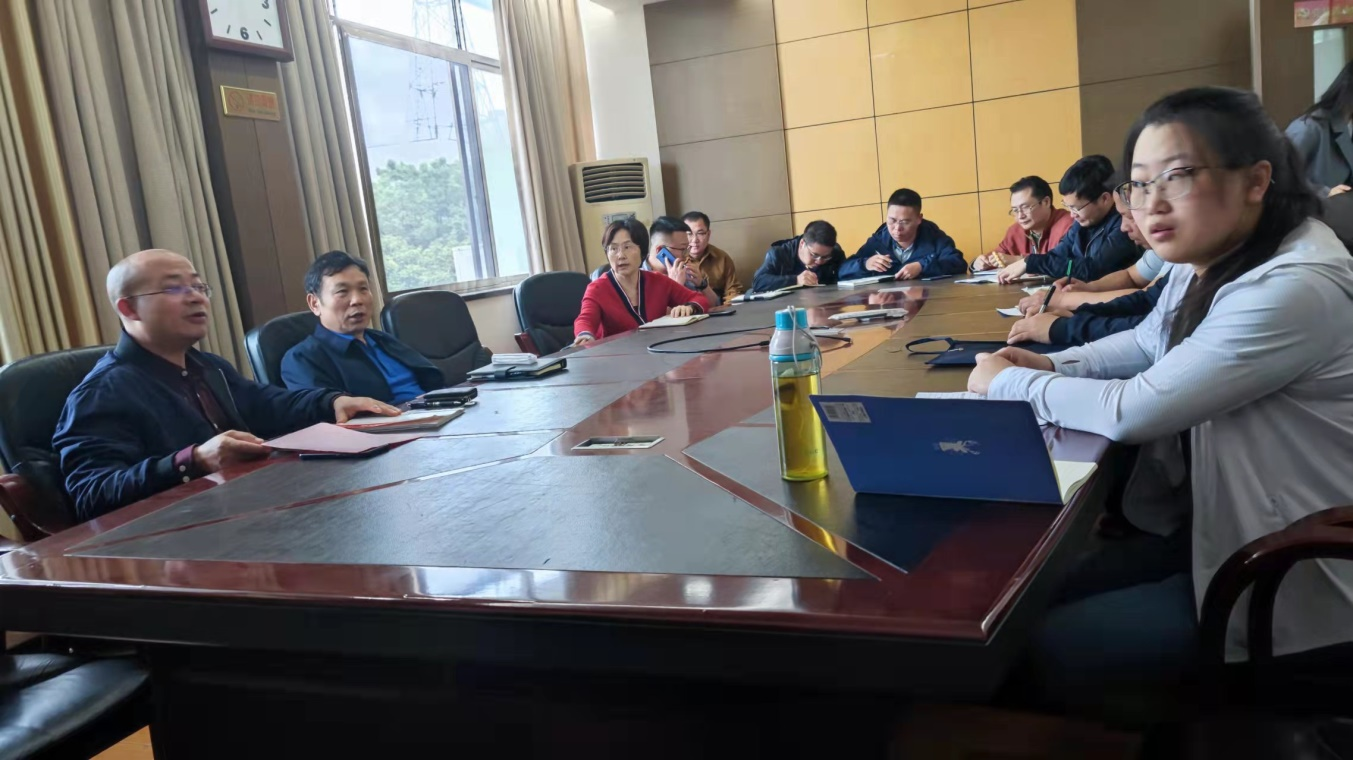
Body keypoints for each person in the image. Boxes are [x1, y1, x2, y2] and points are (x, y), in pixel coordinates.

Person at [967, 87, 1353, 721]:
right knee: (1017, 599)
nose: (1151, 204)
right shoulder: (1216, 257)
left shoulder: (1293, 284)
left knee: (1030, 648)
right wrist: (1049, 364)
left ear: (1256, 180)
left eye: (1177, 176)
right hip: (1219, 535)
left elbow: (1134, 410)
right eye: (1141, 184)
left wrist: (1007, 383)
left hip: (1289, 588)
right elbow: (1149, 342)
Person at [53, 249, 399, 522]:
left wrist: (332, 402)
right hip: (177, 544)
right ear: (129, 308)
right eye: (175, 288)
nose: (196, 297)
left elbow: (270, 404)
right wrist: (193, 461)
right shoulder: (102, 392)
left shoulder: (208, 366)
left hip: (249, 512)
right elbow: (91, 494)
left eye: (198, 287)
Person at [281, 251, 444, 403]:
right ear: (315, 303)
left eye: (363, 289)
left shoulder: (382, 340)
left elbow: (433, 381)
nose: (357, 300)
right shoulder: (302, 359)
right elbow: (326, 413)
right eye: (342, 291)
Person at [1011, 174, 1174, 323]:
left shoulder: (1119, 231)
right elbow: (1131, 276)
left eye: (1129, 216)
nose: (1124, 227)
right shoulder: (1081, 223)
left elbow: (1145, 298)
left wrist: (1062, 300)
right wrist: (1088, 288)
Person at [996, 156, 1142, 284]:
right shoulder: (1082, 222)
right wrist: (1029, 263)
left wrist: (1034, 262)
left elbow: (1092, 270)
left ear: (1104, 199)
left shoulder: (1124, 225)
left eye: (1076, 208)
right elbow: (1058, 255)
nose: (1072, 215)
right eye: (1068, 207)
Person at [574, 218, 710, 346]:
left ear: (642, 251)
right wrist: (585, 335)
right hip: (616, 356)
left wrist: (689, 307)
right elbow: (585, 319)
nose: (620, 255)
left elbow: (699, 299)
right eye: (613, 249)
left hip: (657, 351)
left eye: (627, 247)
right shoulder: (597, 288)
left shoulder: (657, 281)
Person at [838, 188, 967, 281]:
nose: (897, 229)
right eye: (892, 220)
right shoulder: (878, 241)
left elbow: (958, 263)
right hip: (887, 304)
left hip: (928, 304)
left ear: (919, 219)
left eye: (905, 222)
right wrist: (866, 264)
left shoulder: (935, 238)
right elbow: (843, 270)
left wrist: (921, 267)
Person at [971, 176, 1075, 271]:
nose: (1020, 216)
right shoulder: (1015, 231)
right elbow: (997, 256)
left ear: (1046, 202)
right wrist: (977, 263)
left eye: (1025, 207)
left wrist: (1019, 260)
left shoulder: (1069, 224)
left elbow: (1066, 264)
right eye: (1015, 210)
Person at [1286, 57, 1353, 197]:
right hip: (1309, 209)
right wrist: (1324, 192)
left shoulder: (1346, 125)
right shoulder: (1309, 127)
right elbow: (1279, 177)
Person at [646, 215, 722, 307]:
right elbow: (655, 313)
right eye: (682, 249)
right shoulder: (640, 278)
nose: (686, 256)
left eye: (687, 249)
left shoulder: (682, 270)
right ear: (661, 251)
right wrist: (675, 286)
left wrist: (702, 284)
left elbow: (715, 305)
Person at [750, 220, 845, 292]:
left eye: (825, 257)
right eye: (814, 255)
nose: (819, 261)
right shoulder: (779, 254)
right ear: (802, 243)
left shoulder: (835, 254)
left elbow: (846, 280)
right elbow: (758, 282)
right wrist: (796, 280)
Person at [680, 211, 744, 302]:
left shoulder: (722, 258)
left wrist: (726, 308)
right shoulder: (676, 259)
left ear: (708, 234)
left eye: (700, 233)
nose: (694, 240)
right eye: (689, 234)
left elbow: (733, 291)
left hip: (718, 308)